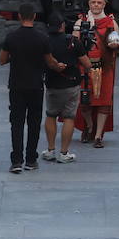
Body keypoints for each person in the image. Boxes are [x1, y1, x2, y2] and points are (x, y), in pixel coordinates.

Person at [0, 3, 47, 173]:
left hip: (17, 86)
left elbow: (2, 59)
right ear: (34, 16)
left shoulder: (11, 37)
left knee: (17, 123)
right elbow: (49, 61)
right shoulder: (42, 38)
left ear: (19, 16)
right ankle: (31, 159)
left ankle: (17, 160)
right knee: (34, 123)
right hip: (36, 86)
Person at [40, 15, 92, 164]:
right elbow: (87, 64)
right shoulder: (72, 41)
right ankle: (64, 152)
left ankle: (50, 150)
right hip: (71, 84)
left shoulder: (45, 41)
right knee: (69, 117)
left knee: (51, 114)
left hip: (51, 83)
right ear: (62, 26)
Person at [75, 0, 119, 148]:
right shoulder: (80, 21)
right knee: (85, 102)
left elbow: (116, 41)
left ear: (104, 4)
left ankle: (97, 136)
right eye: (93, 2)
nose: (96, 5)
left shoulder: (111, 23)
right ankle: (88, 126)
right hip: (85, 67)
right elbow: (74, 44)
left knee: (104, 103)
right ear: (89, 3)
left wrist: (115, 45)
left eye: (99, 3)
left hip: (105, 68)